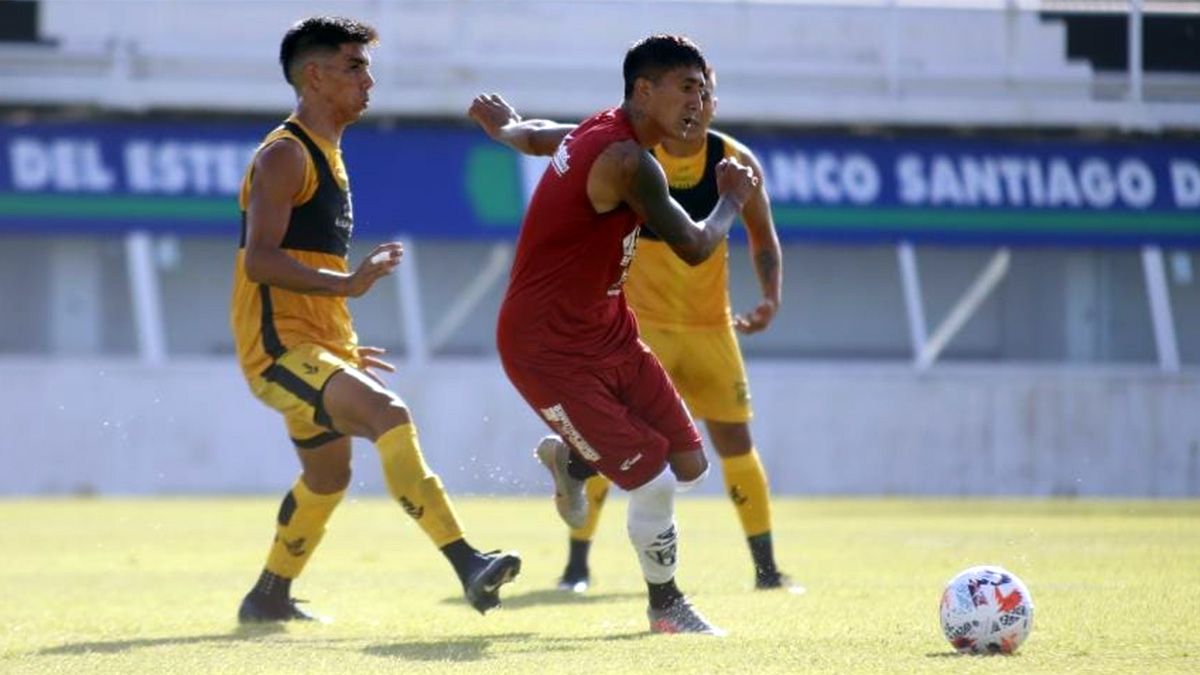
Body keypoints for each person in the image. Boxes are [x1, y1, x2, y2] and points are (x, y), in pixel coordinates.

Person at [230, 16, 519, 623]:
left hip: (313, 346)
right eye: (355, 67)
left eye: (367, 66)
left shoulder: (327, 153)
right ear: (314, 76)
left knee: (328, 476)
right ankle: (468, 562)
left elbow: (298, 261)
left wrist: (337, 351)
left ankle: (268, 597)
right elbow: (260, 260)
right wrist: (348, 285)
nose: (370, 80)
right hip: (278, 352)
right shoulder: (286, 154)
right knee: (390, 415)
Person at [469, 34, 757, 635]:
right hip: (545, 348)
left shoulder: (601, 130)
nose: (698, 104)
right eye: (686, 89)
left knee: (691, 463)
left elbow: (541, 135)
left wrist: (508, 129)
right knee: (652, 479)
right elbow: (696, 245)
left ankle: (572, 464)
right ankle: (666, 607)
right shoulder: (631, 163)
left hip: (609, 332)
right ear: (643, 91)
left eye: (704, 91)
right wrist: (730, 201)